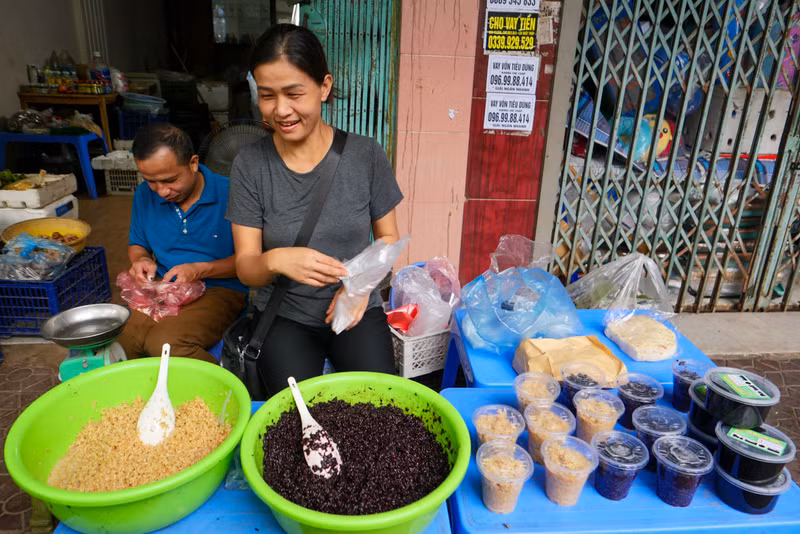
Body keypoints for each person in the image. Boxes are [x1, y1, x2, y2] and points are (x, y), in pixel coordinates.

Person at [226, 24, 403, 396]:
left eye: (294, 93)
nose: (281, 110)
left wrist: (357, 290)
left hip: (355, 308)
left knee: (380, 404)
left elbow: (389, 238)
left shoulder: (365, 155)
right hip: (285, 315)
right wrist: (277, 259)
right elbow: (246, 267)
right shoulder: (250, 165)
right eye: (267, 95)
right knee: (295, 413)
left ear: (324, 86)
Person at [118, 123, 248, 363]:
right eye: (151, 181)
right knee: (124, 341)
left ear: (193, 163)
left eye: (170, 180)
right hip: (164, 286)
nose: (161, 191)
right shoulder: (144, 195)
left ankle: (222, 383)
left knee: (167, 346)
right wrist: (141, 259)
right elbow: (137, 244)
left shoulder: (233, 194)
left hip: (221, 288)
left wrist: (199, 269)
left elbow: (250, 262)